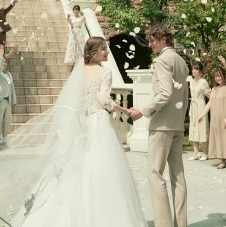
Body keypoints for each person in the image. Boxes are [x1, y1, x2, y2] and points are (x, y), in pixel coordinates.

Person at [17, 37, 146, 226]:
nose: (107, 52)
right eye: (103, 49)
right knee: (102, 169)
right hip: (98, 123)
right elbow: (104, 101)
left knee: (76, 168)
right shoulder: (105, 72)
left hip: (81, 123)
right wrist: (125, 111)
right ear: (93, 52)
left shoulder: (79, 72)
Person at [130, 25, 189, 227]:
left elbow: (164, 93)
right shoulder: (181, 61)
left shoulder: (163, 60)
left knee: (154, 173)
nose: (150, 44)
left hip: (162, 125)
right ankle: (181, 224)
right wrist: (180, 119)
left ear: (163, 39)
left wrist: (143, 110)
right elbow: (184, 97)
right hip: (177, 124)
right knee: (178, 176)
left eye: (152, 40)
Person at [198, 67, 226, 170]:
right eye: (216, 76)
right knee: (219, 138)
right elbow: (210, 103)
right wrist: (202, 115)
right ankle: (222, 161)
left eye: (219, 76)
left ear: (224, 76)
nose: (218, 78)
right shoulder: (214, 89)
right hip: (215, 118)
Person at [0, 43, 17, 149]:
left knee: (7, 122)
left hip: (8, 101)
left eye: (5, 62)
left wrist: (14, 100)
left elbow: (12, 88)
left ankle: (4, 140)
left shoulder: (9, 74)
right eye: (2, 62)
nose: (4, 63)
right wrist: (1, 55)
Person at [187, 62, 211, 161]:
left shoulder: (203, 82)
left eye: (196, 69)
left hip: (201, 105)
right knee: (193, 127)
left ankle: (205, 153)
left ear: (200, 71)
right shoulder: (191, 81)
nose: (194, 71)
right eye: (193, 69)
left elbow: (210, 95)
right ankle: (196, 152)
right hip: (193, 105)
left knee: (202, 128)